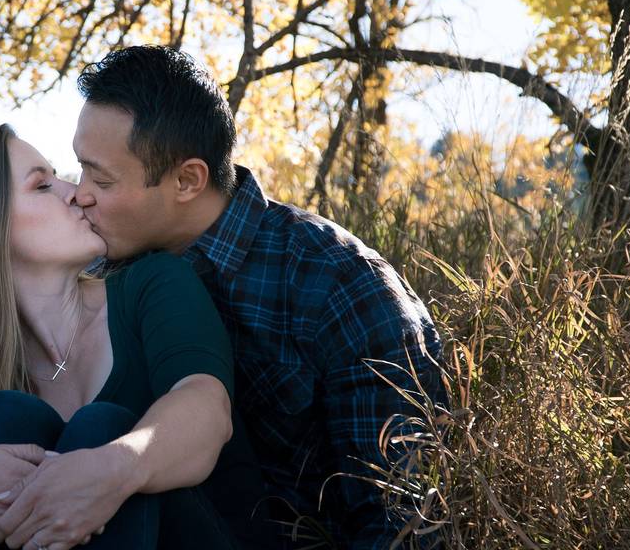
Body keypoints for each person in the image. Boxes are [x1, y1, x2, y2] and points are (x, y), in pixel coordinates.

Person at [69, 46, 446, 548]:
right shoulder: (101, 270)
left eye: (102, 178)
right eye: (80, 170)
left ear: (187, 180)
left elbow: (402, 518)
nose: (79, 193)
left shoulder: (338, 284)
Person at [0, 124, 256, 550]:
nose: (76, 193)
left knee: (102, 426)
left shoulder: (151, 284)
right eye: (42, 185)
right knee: (4, 416)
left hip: (203, 535)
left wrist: (113, 470)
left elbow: (207, 407)